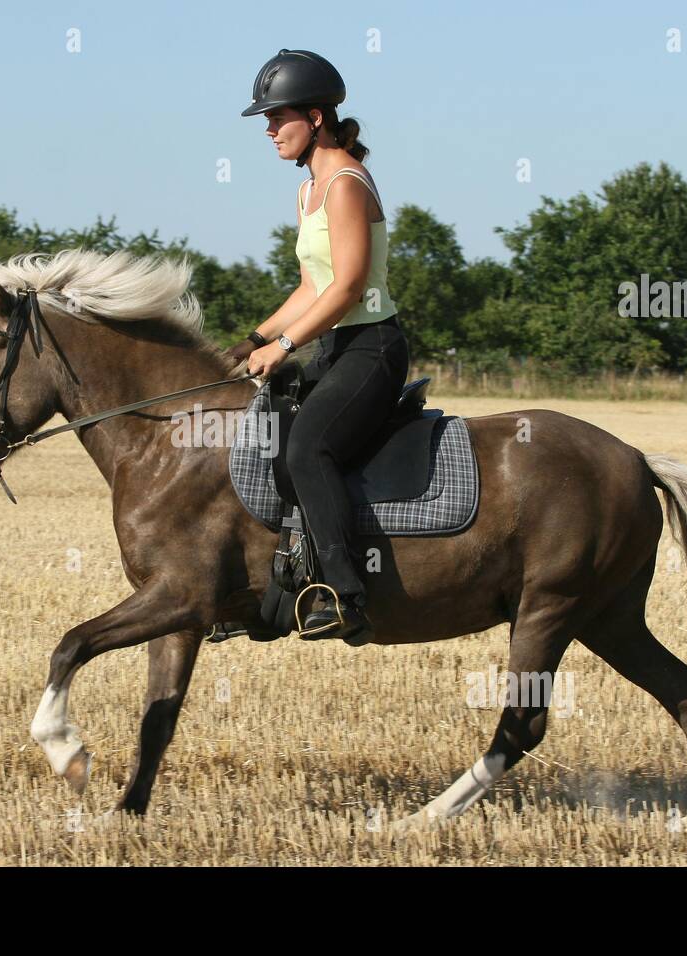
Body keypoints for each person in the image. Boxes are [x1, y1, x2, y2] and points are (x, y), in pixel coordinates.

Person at [226, 49, 410, 645]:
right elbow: (310, 285)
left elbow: (349, 285)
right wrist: (251, 340)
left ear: (315, 115)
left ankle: (344, 597)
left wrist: (283, 345)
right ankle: (275, 587)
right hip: (333, 346)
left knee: (308, 448)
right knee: (272, 437)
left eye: (278, 118)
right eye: (266, 121)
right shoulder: (308, 193)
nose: (270, 131)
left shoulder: (346, 184)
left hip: (372, 348)